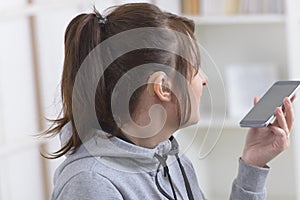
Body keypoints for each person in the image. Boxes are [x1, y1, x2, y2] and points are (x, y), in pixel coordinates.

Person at [45, 3, 295, 200]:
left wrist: (253, 163)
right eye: (196, 69)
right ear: (163, 87)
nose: (204, 80)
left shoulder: (168, 156)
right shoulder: (91, 184)